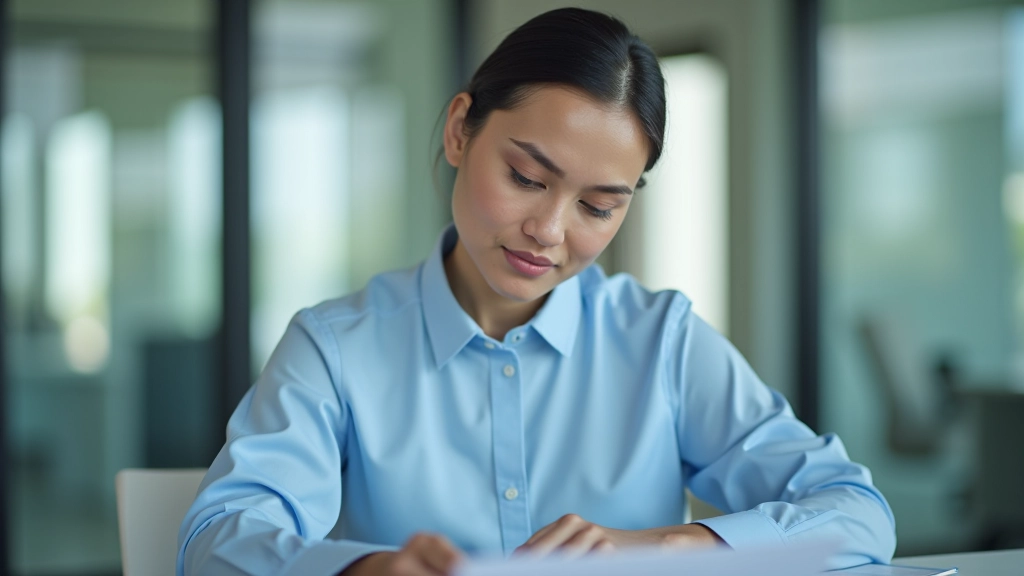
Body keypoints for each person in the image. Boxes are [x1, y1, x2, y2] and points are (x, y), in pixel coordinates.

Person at [177, 8, 896, 576]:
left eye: (598, 206)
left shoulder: (662, 341)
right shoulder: (336, 348)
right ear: (461, 131)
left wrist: (676, 548)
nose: (548, 230)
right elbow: (216, 542)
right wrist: (368, 569)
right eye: (526, 177)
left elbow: (858, 512)